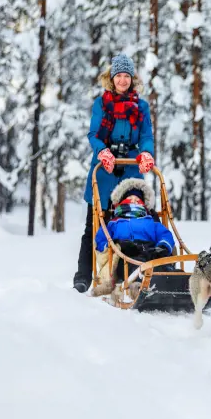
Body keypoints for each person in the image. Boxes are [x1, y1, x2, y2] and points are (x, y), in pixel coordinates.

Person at [73, 54, 156, 293]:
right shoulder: (102, 104)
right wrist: (103, 152)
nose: (122, 80)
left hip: (130, 169)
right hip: (104, 172)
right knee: (95, 225)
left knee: (133, 223)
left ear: (132, 79)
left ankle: (130, 273)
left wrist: (146, 153)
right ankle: (84, 276)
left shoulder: (141, 107)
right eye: (118, 75)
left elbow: (146, 136)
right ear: (111, 78)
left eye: (126, 76)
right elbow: (94, 135)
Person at [93, 178, 175, 297]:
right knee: (138, 265)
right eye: (130, 199)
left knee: (162, 265)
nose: (134, 201)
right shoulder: (113, 223)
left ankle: (180, 282)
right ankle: (140, 286)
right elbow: (101, 240)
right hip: (126, 255)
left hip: (150, 250)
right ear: (121, 202)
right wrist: (117, 244)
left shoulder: (150, 221)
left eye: (138, 200)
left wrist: (162, 246)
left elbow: (165, 234)